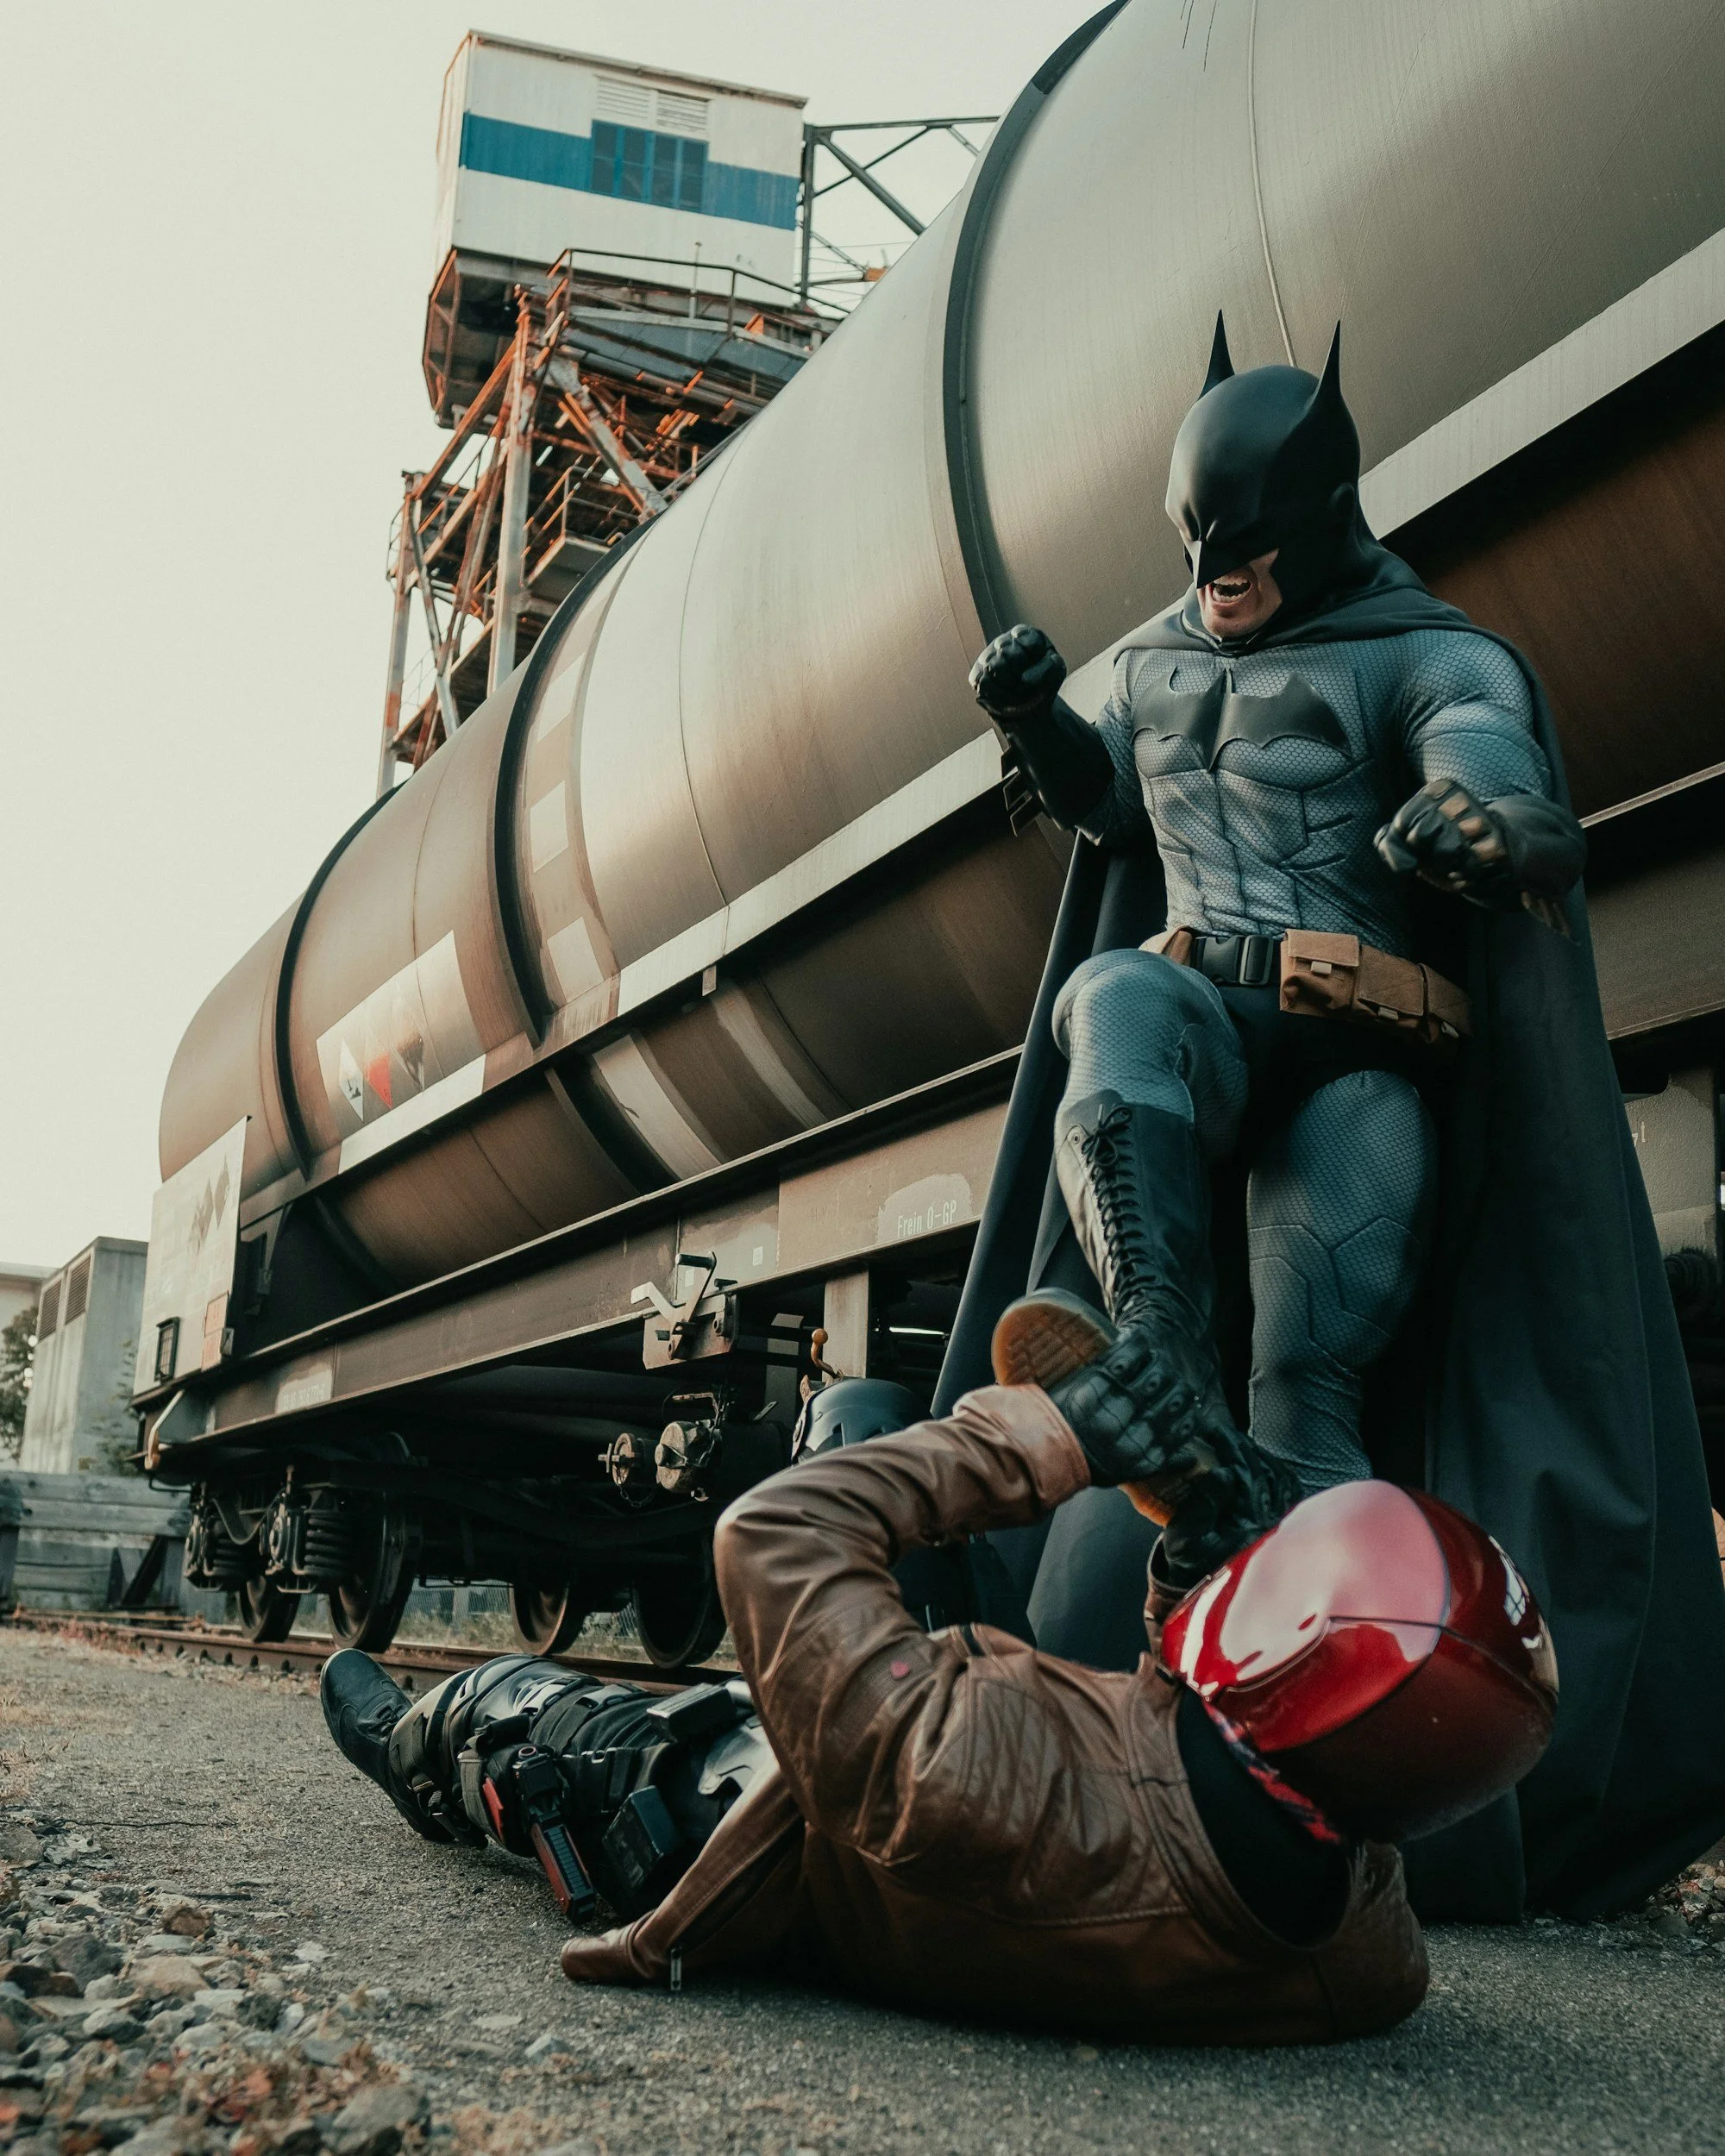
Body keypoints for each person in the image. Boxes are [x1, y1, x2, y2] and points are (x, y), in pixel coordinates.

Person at [947, 318, 1725, 1921]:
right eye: (1198, 545)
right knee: (1120, 1002)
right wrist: (1039, 728)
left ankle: (1297, 1771)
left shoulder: (1432, 651)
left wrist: (1488, 820)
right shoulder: (1155, 656)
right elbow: (1118, 812)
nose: (1217, 571)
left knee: (1312, 1387)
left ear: (1323, 510)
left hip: (1363, 1047)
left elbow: (1503, 775)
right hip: (1204, 1022)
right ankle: (1154, 1351)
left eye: (1245, 546)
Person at [321, 1369, 1554, 2044]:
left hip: (733, 1827)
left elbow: (774, 1531)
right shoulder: (1366, 1956)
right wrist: (1189, 1572)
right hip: (904, 1824)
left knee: (532, 1716)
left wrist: (1035, 1440)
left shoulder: (978, 1767)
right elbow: (1206, 1768)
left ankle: (406, 1751)